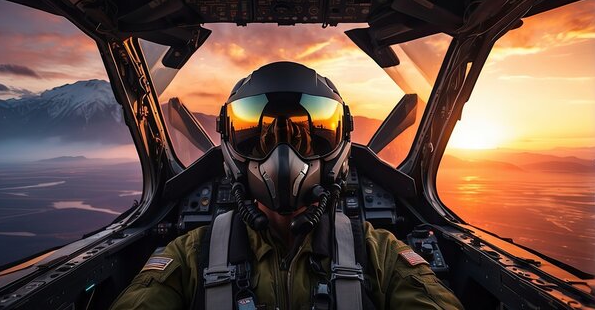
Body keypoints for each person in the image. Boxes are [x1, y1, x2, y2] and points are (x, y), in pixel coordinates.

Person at [111, 62, 464, 310]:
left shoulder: (378, 254)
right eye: (261, 140)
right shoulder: (190, 256)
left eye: (308, 139)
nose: (283, 157)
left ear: (340, 144)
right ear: (230, 144)